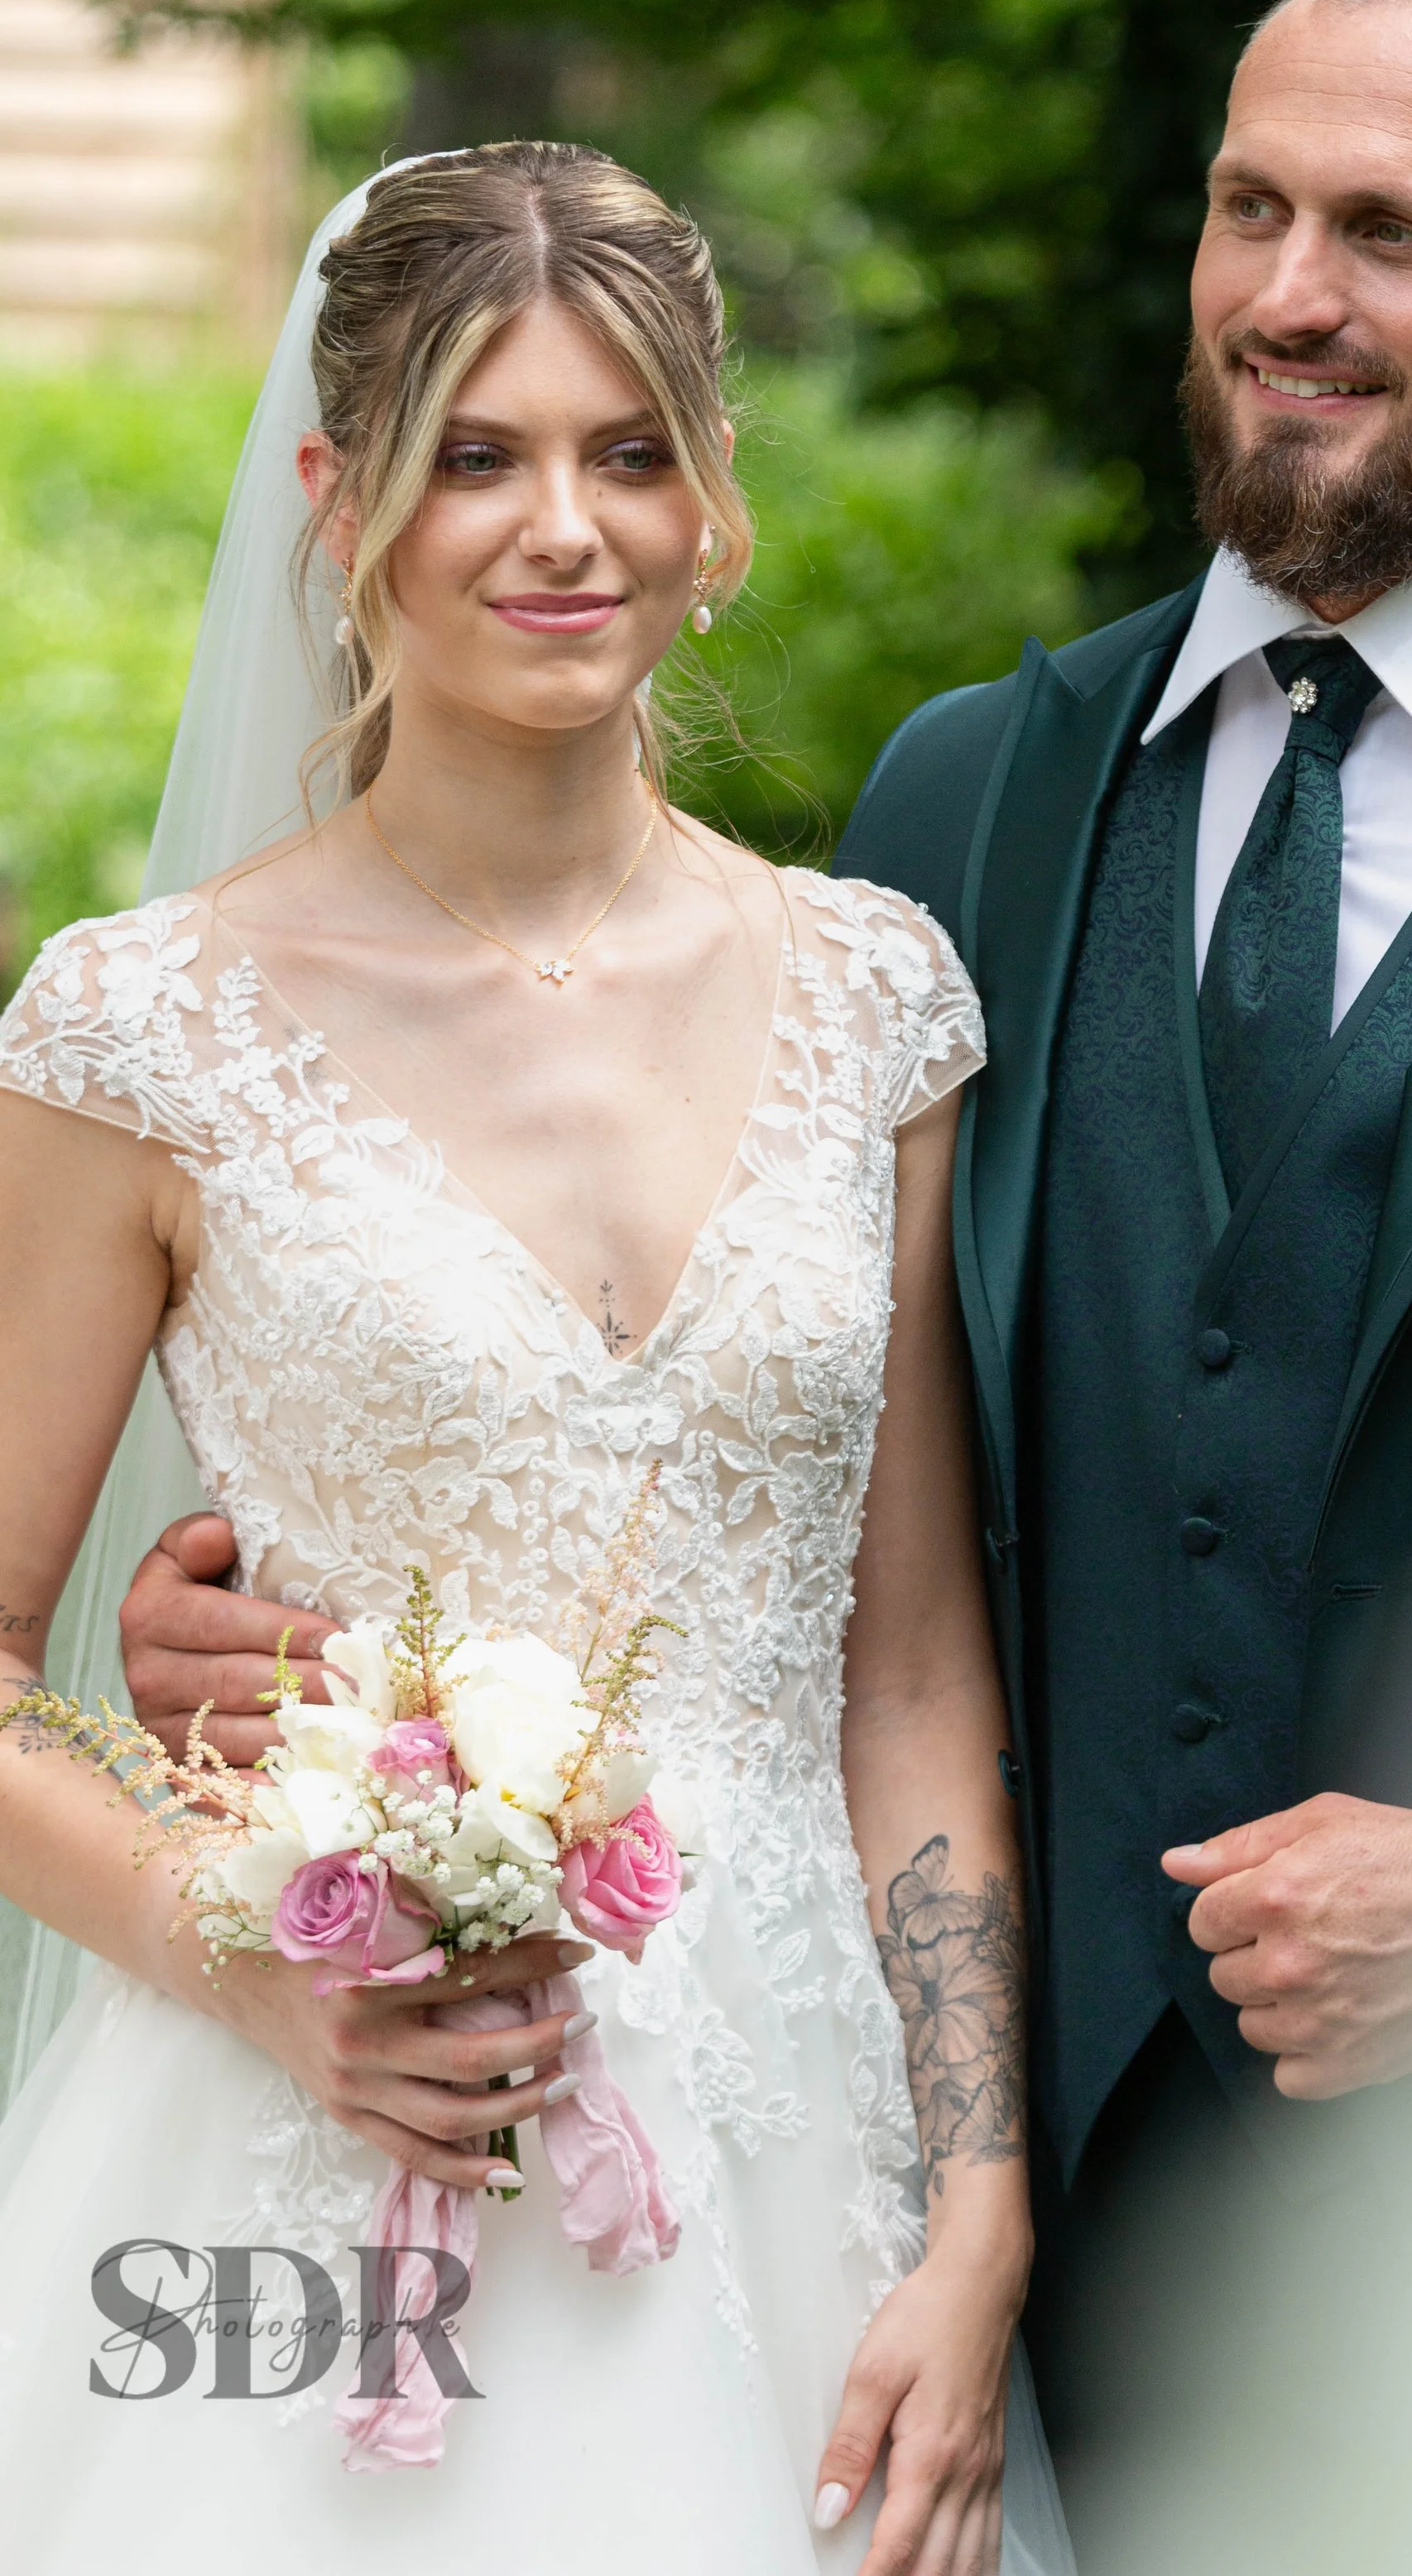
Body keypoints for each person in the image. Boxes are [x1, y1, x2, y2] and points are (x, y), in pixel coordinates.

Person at [121, 0, 1412, 2534]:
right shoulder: (962, 810)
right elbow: (744, 1415)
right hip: (932, 2221)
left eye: (1388, 230)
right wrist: (300, 1617)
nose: (1286, 296)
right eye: (1245, 208)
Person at [0, 145, 1072, 2574]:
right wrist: (258, 1970)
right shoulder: (138, 1028)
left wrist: (975, 2207)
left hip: (808, 2159)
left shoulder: (875, 993)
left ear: (715, 508)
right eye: (475, 453)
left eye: (626, 453)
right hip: (311, 2172)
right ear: (336, 498)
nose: (560, 526)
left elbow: (903, 1663)